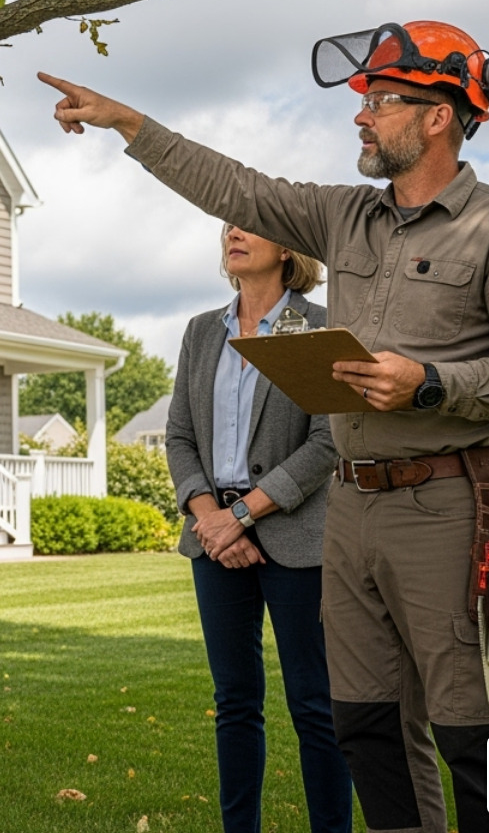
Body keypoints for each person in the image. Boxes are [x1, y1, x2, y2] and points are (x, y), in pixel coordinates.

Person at [39, 20, 489, 833]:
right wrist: (127, 122)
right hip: (350, 512)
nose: (362, 116)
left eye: (382, 101)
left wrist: (430, 383)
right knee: (365, 726)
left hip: (451, 504)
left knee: (477, 731)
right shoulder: (343, 216)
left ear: (439, 116)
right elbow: (234, 186)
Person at [168, 226, 347, 833]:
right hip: (212, 540)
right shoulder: (202, 331)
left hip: (295, 537)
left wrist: (241, 516)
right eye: (227, 226)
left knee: (315, 705)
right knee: (234, 704)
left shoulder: (319, 326)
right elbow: (179, 436)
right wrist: (210, 518)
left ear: (288, 247)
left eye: (249, 223)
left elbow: (327, 441)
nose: (234, 233)